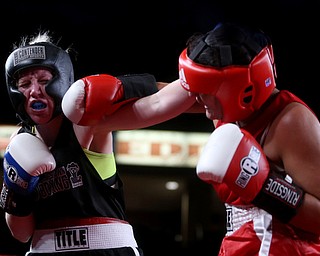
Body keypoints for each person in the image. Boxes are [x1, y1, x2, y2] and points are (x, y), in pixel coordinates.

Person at [0, 31, 197, 255]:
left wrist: (207, 88)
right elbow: (21, 233)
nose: (34, 91)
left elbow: (157, 103)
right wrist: (18, 189)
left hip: (106, 249)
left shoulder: (86, 122)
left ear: (62, 79)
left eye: (44, 81)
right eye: (25, 83)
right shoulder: (19, 144)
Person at [178, 22, 320, 255]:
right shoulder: (225, 109)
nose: (198, 100)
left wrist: (266, 188)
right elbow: (159, 100)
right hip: (241, 244)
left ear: (238, 88)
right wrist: (124, 89)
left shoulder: (291, 122)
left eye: (207, 92)